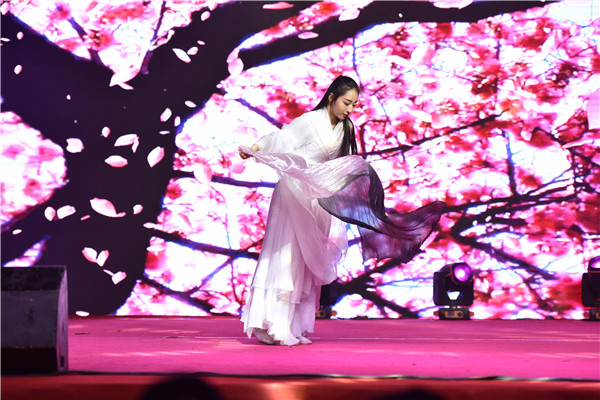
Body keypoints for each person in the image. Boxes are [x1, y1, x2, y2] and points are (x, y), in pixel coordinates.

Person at [239, 76, 444, 346]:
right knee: (287, 254)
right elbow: (280, 138)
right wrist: (254, 149)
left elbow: (342, 163)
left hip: (319, 196)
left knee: (307, 259)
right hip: (294, 193)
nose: (350, 109)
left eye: (354, 104)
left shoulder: (345, 127)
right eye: (346, 102)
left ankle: (294, 326)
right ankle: (275, 324)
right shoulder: (309, 121)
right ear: (332, 97)